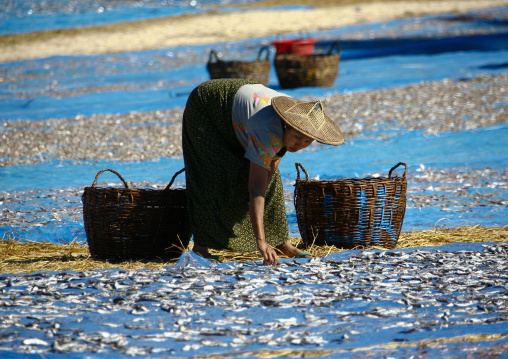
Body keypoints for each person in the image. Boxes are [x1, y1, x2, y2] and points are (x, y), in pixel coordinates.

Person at [182, 78, 345, 265]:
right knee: (215, 174)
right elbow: (256, 190)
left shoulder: (293, 118)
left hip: (243, 106)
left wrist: (254, 206)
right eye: (296, 138)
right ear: (286, 125)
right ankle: (201, 247)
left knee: (271, 179)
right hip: (208, 106)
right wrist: (261, 242)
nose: (299, 145)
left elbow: (269, 170)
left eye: (307, 142)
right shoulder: (267, 130)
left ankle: (281, 243)